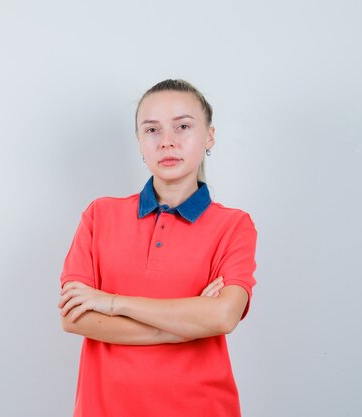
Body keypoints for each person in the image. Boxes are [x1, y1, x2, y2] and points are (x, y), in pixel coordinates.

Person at [57, 79, 258, 417]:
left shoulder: (234, 225)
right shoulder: (99, 215)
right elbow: (75, 318)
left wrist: (111, 303)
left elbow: (223, 316)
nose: (167, 142)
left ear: (209, 136)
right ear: (139, 142)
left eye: (182, 126)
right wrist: (188, 325)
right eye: (152, 130)